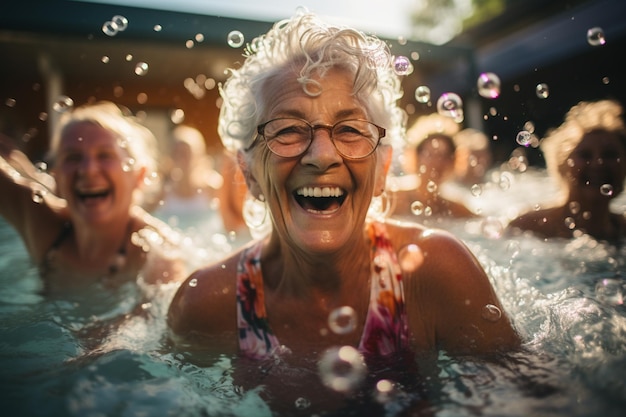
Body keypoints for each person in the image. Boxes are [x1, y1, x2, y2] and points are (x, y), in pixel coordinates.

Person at [167, 12, 520, 414]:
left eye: (350, 130)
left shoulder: (434, 274)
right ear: (249, 173)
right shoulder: (210, 304)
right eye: (287, 130)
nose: (321, 155)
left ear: (383, 169)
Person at [0, 101, 187, 295]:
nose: (88, 170)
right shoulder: (42, 224)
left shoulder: (157, 252)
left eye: (105, 155)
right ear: (57, 176)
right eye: (73, 157)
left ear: (138, 176)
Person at [507, 99, 626, 242]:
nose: (598, 164)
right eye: (585, 155)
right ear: (562, 164)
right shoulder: (527, 228)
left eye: (610, 154)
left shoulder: (622, 229)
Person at [390, 113, 476, 219]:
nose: (437, 162)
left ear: (454, 162)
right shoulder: (393, 198)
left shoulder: (455, 208)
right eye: (430, 154)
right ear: (415, 157)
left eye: (444, 156)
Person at [153, 124, 223, 227]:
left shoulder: (211, 188)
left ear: (198, 156)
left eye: (187, 153)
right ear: (171, 157)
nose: (182, 159)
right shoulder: (161, 192)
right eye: (178, 153)